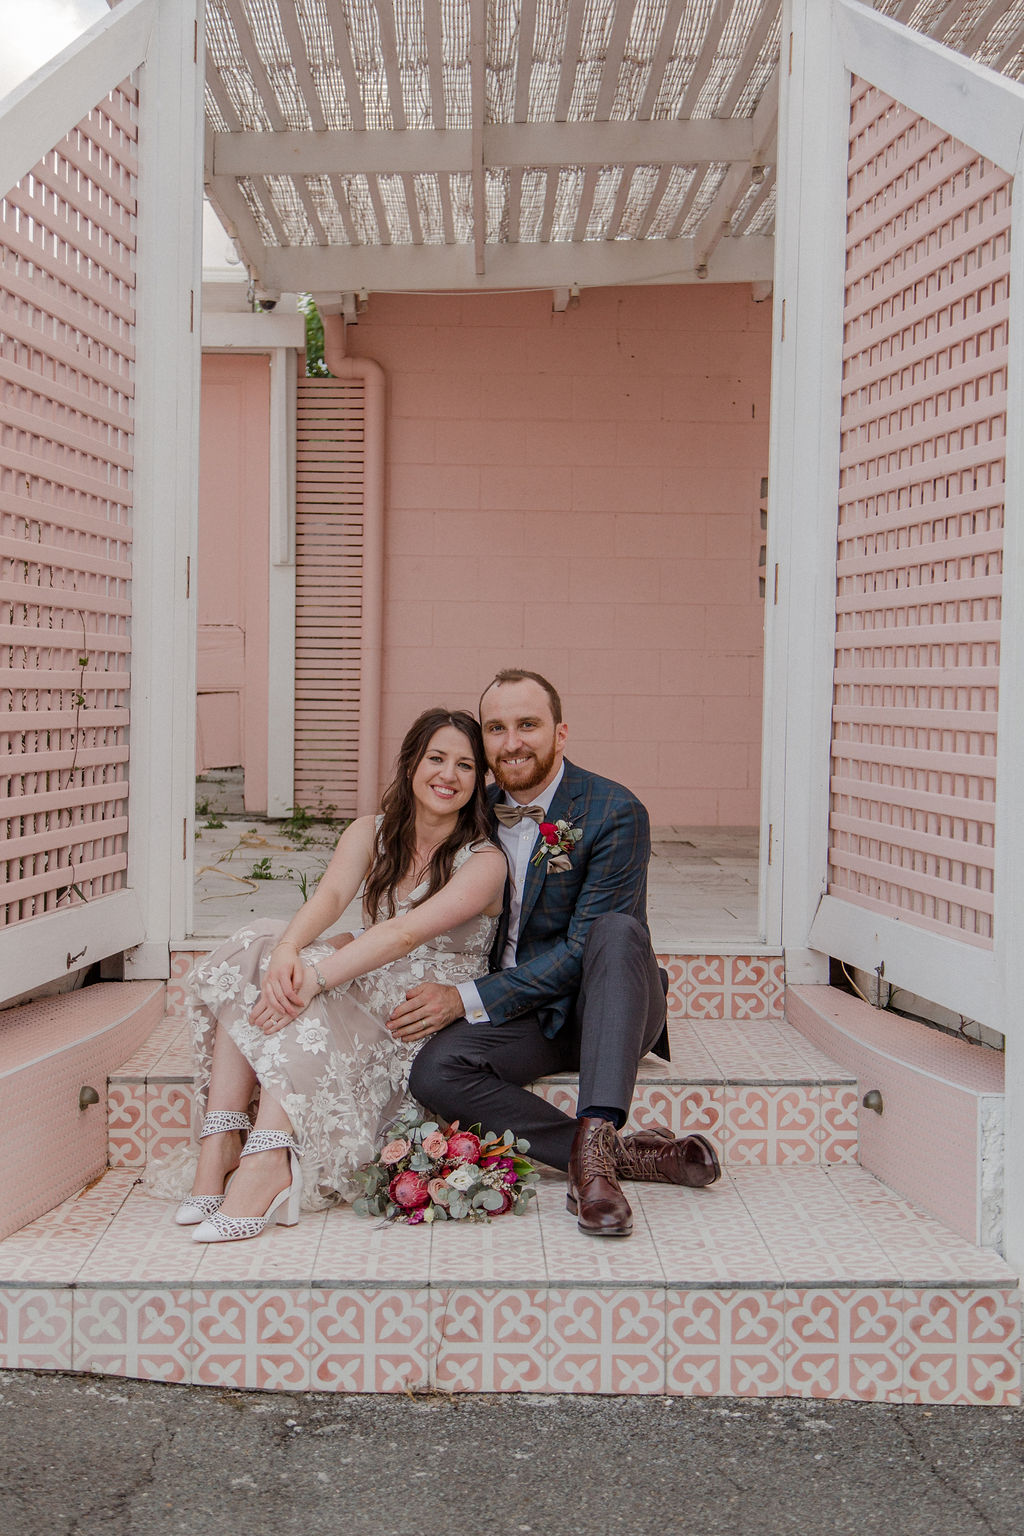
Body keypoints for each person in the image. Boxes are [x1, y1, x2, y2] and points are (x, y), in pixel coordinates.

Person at [400, 669, 721, 1239]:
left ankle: (595, 1158)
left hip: (611, 1006)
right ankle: (622, 1156)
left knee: (617, 931)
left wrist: (464, 999)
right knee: (434, 1070)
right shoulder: (476, 808)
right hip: (529, 1017)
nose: (511, 742)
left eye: (528, 725)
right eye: (496, 728)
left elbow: (581, 950)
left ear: (561, 733)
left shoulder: (613, 811)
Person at [168, 708, 506, 1244]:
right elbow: (328, 898)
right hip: (362, 978)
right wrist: (288, 950)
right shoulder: (370, 832)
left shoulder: (484, 861)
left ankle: (267, 1163)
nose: (449, 775)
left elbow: (403, 935)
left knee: (306, 995)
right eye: (436, 758)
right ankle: (222, 1141)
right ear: (411, 762)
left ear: (478, 780)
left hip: (412, 1015)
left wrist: (313, 977)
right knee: (257, 946)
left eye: (466, 765)